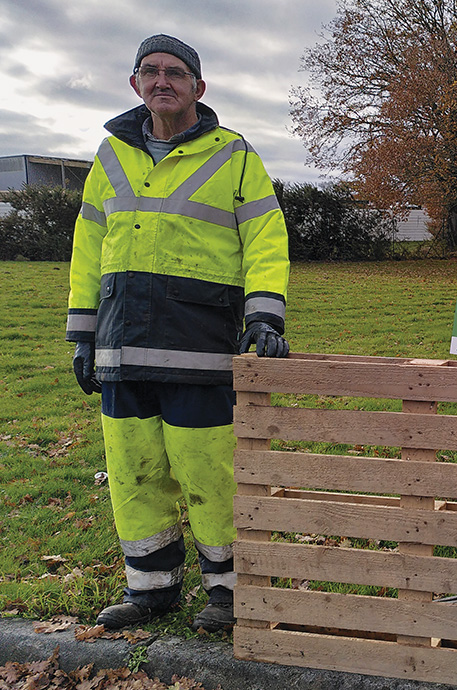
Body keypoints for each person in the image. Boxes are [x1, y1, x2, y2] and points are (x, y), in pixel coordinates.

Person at [66, 34, 290, 633]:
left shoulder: (235, 155)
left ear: (198, 87)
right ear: (135, 84)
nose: (162, 80)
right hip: (120, 345)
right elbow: (89, 247)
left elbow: (266, 238)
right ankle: (151, 589)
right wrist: (81, 333)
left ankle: (230, 591)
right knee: (134, 471)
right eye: (150, 72)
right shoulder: (109, 155)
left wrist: (265, 315)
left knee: (209, 470)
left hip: (199, 346)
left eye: (175, 72)